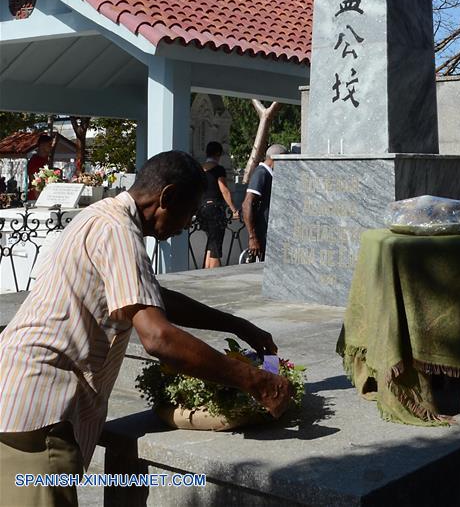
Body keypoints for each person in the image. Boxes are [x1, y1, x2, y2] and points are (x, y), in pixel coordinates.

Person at [0, 150, 292, 506]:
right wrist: (256, 381)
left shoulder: (102, 216)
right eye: (188, 212)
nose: (186, 225)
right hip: (39, 410)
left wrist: (238, 325)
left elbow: (153, 296)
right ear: (166, 197)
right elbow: (157, 337)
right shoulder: (118, 230)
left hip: (21, 400)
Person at [242, 144, 288, 260]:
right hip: (263, 233)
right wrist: (253, 237)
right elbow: (247, 204)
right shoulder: (261, 173)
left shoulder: (271, 175)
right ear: (276, 159)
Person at [199, 140, 238, 269]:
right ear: (218, 154)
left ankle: (206, 274)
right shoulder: (218, 170)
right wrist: (233, 209)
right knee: (216, 247)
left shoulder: (200, 170)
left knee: (211, 244)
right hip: (215, 209)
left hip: (202, 209)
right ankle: (214, 277)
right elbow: (224, 190)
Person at [26, 133, 53, 201]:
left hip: (45, 196)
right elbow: (34, 182)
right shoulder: (34, 161)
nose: (51, 147)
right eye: (49, 145)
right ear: (42, 145)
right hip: (35, 198)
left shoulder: (46, 160)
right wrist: (39, 200)